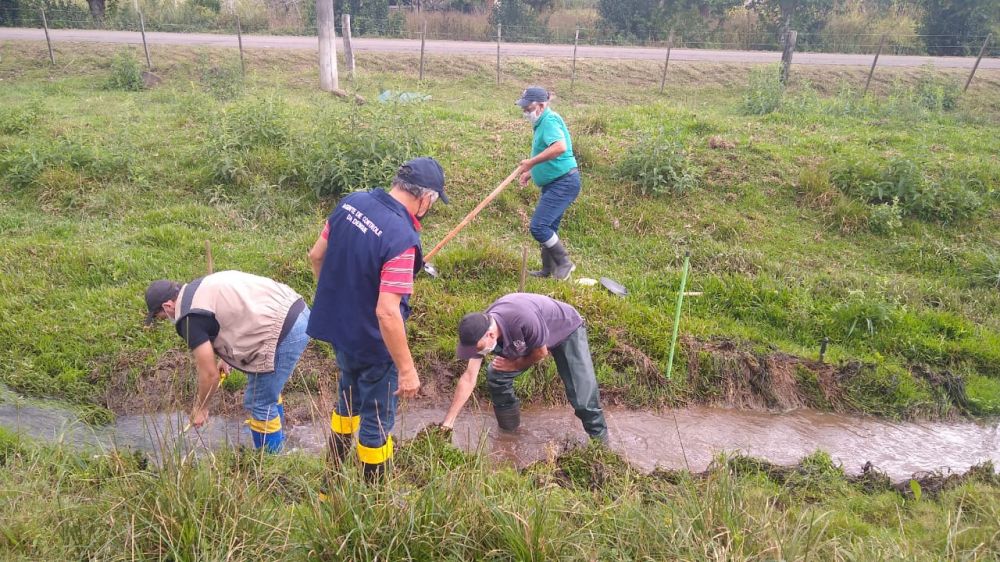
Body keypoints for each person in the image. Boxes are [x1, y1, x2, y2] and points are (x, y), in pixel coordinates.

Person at [307, 157, 448, 480]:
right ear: (426, 198)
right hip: (375, 344)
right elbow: (387, 311)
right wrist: (407, 370)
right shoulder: (401, 238)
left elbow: (316, 256)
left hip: (340, 332)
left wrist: (341, 300)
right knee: (375, 420)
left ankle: (329, 484)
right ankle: (374, 502)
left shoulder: (351, 203)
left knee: (347, 402)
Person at [143, 271, 310, 453]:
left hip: (286, 330)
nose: (164, 319)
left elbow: (210, 375)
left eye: (160, 317)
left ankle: (273, 465)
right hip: (297, 307)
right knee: (264, 390)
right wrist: (225, 357)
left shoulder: (188, 319)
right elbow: (229, 316)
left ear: (167, 306)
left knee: (258, 401)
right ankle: (279, 438)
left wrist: (201, 408)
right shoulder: (197, 288)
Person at [441, 293, 608, 442]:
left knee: (583, 399)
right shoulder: (479, 329)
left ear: (491, 335)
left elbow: (541, 353)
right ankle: (509, 433)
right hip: (531, 335)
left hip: (566, 329)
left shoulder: (522, 319)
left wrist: (515, 364)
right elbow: (469, 378)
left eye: (477, 348)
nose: (477, 352)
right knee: (497, 374)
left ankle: (601, 448)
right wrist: (448, 423)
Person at [515, 86, 580, 281]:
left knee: (539, 227)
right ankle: (547, 270)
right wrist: (532, 173)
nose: (526, 112)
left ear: (541, 105)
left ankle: (564, 263)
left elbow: (559, 147)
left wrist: (531, 163)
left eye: (528, 108)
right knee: (549, 228)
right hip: (555, 182)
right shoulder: (542, 123)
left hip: (564, 182)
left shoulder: (549, 120)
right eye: (524, 109)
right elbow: (548, 154)